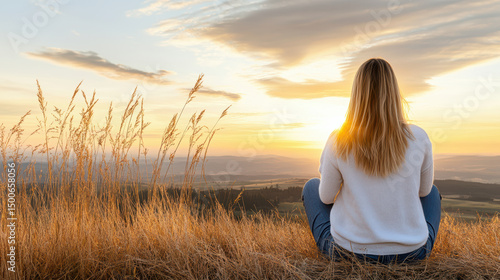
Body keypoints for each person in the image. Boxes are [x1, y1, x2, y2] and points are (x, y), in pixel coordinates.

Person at [301, 58, 442, 264]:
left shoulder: (339, 139)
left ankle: (355, 236)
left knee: (312, 187)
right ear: (394, 92)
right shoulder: (418, 137)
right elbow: (423, 193)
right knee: (433, 193)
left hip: (349, 254)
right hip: (412, 255)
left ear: (356, 94)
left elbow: (326, 197)